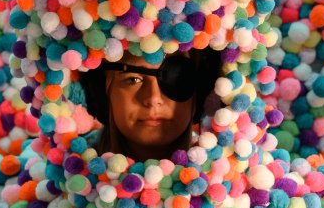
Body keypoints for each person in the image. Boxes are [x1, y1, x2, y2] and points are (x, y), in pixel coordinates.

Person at [81, 48, 221, 162]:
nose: (153, 98)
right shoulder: (71, 172)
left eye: (176, 77)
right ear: (102, 94)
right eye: (133, 79)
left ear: (201, 94)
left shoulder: (229, 181)